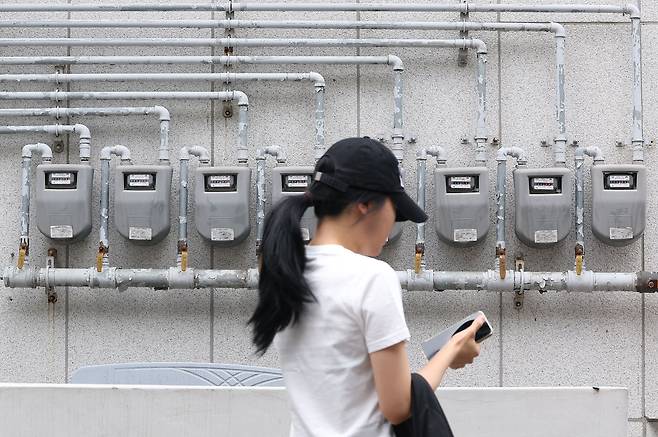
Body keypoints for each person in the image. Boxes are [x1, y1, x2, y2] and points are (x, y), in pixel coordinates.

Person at [249, 137, 484, 437]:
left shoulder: (286, 269)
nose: (393, 225)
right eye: (394, 211)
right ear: (364, 205)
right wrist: (450, 351)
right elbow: (397, 405)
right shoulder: (372, 277)